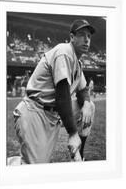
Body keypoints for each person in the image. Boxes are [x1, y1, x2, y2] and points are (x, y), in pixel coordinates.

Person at [13, 19, 96, 164]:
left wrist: (87, 103)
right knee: (34, 168)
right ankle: (7, 165)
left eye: (89, 36)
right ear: (72, 37)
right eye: (82, 34)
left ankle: (78, 159)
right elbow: (62, 96)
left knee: (90, 108)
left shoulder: (77, 62)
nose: (86, 39)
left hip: (52, 114)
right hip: (35, 112)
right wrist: (73, 133)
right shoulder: (64, 51)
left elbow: (83, 90)